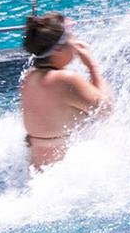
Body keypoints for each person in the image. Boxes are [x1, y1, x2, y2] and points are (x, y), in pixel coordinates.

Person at [19, 12, 107, 170]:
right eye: (72, 38)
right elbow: (106, 108)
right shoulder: (65, 79)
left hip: (37, 169)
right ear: (58, 49)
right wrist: (92, 66)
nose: (76, 44)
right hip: (64, 171)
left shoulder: (29, 77)